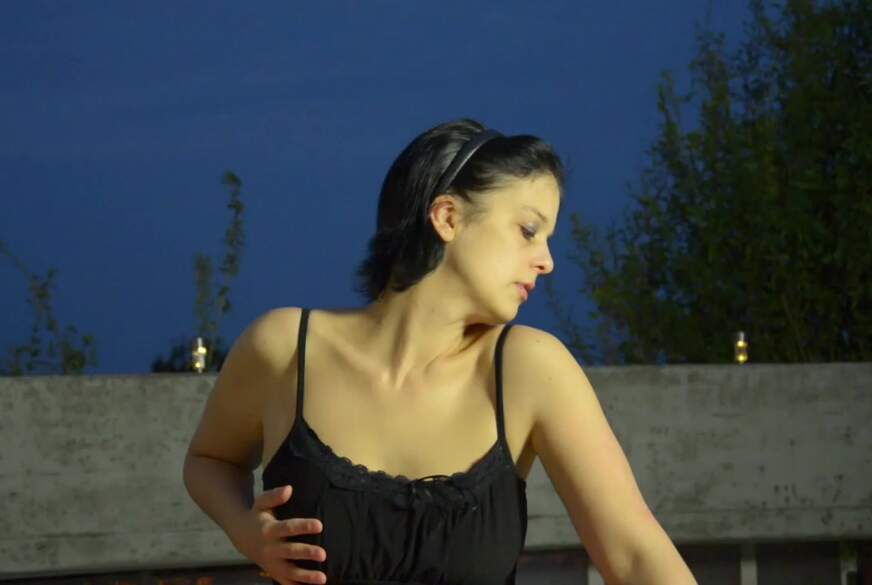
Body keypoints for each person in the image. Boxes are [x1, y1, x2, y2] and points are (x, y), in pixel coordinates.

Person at [182, 119, 696, 585]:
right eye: (528, 230)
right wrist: (245, 531)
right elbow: (209, 460)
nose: (547, 261)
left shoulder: (528, 369)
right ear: (447, 217)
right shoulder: (284, 348)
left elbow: (634, 555)